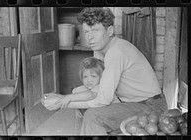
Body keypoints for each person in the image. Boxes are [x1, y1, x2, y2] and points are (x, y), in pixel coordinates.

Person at [42, 7, 168, 135]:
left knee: (93, 116)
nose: (90, 37)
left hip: (151, 107)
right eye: (86, 32)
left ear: (110, 30)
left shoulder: (116, 51)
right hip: (132, 103)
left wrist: (60, 103)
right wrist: (65, 98)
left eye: (95, 30)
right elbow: (96, 89)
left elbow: (103, 100)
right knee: (79, 95)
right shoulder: (100, 50)